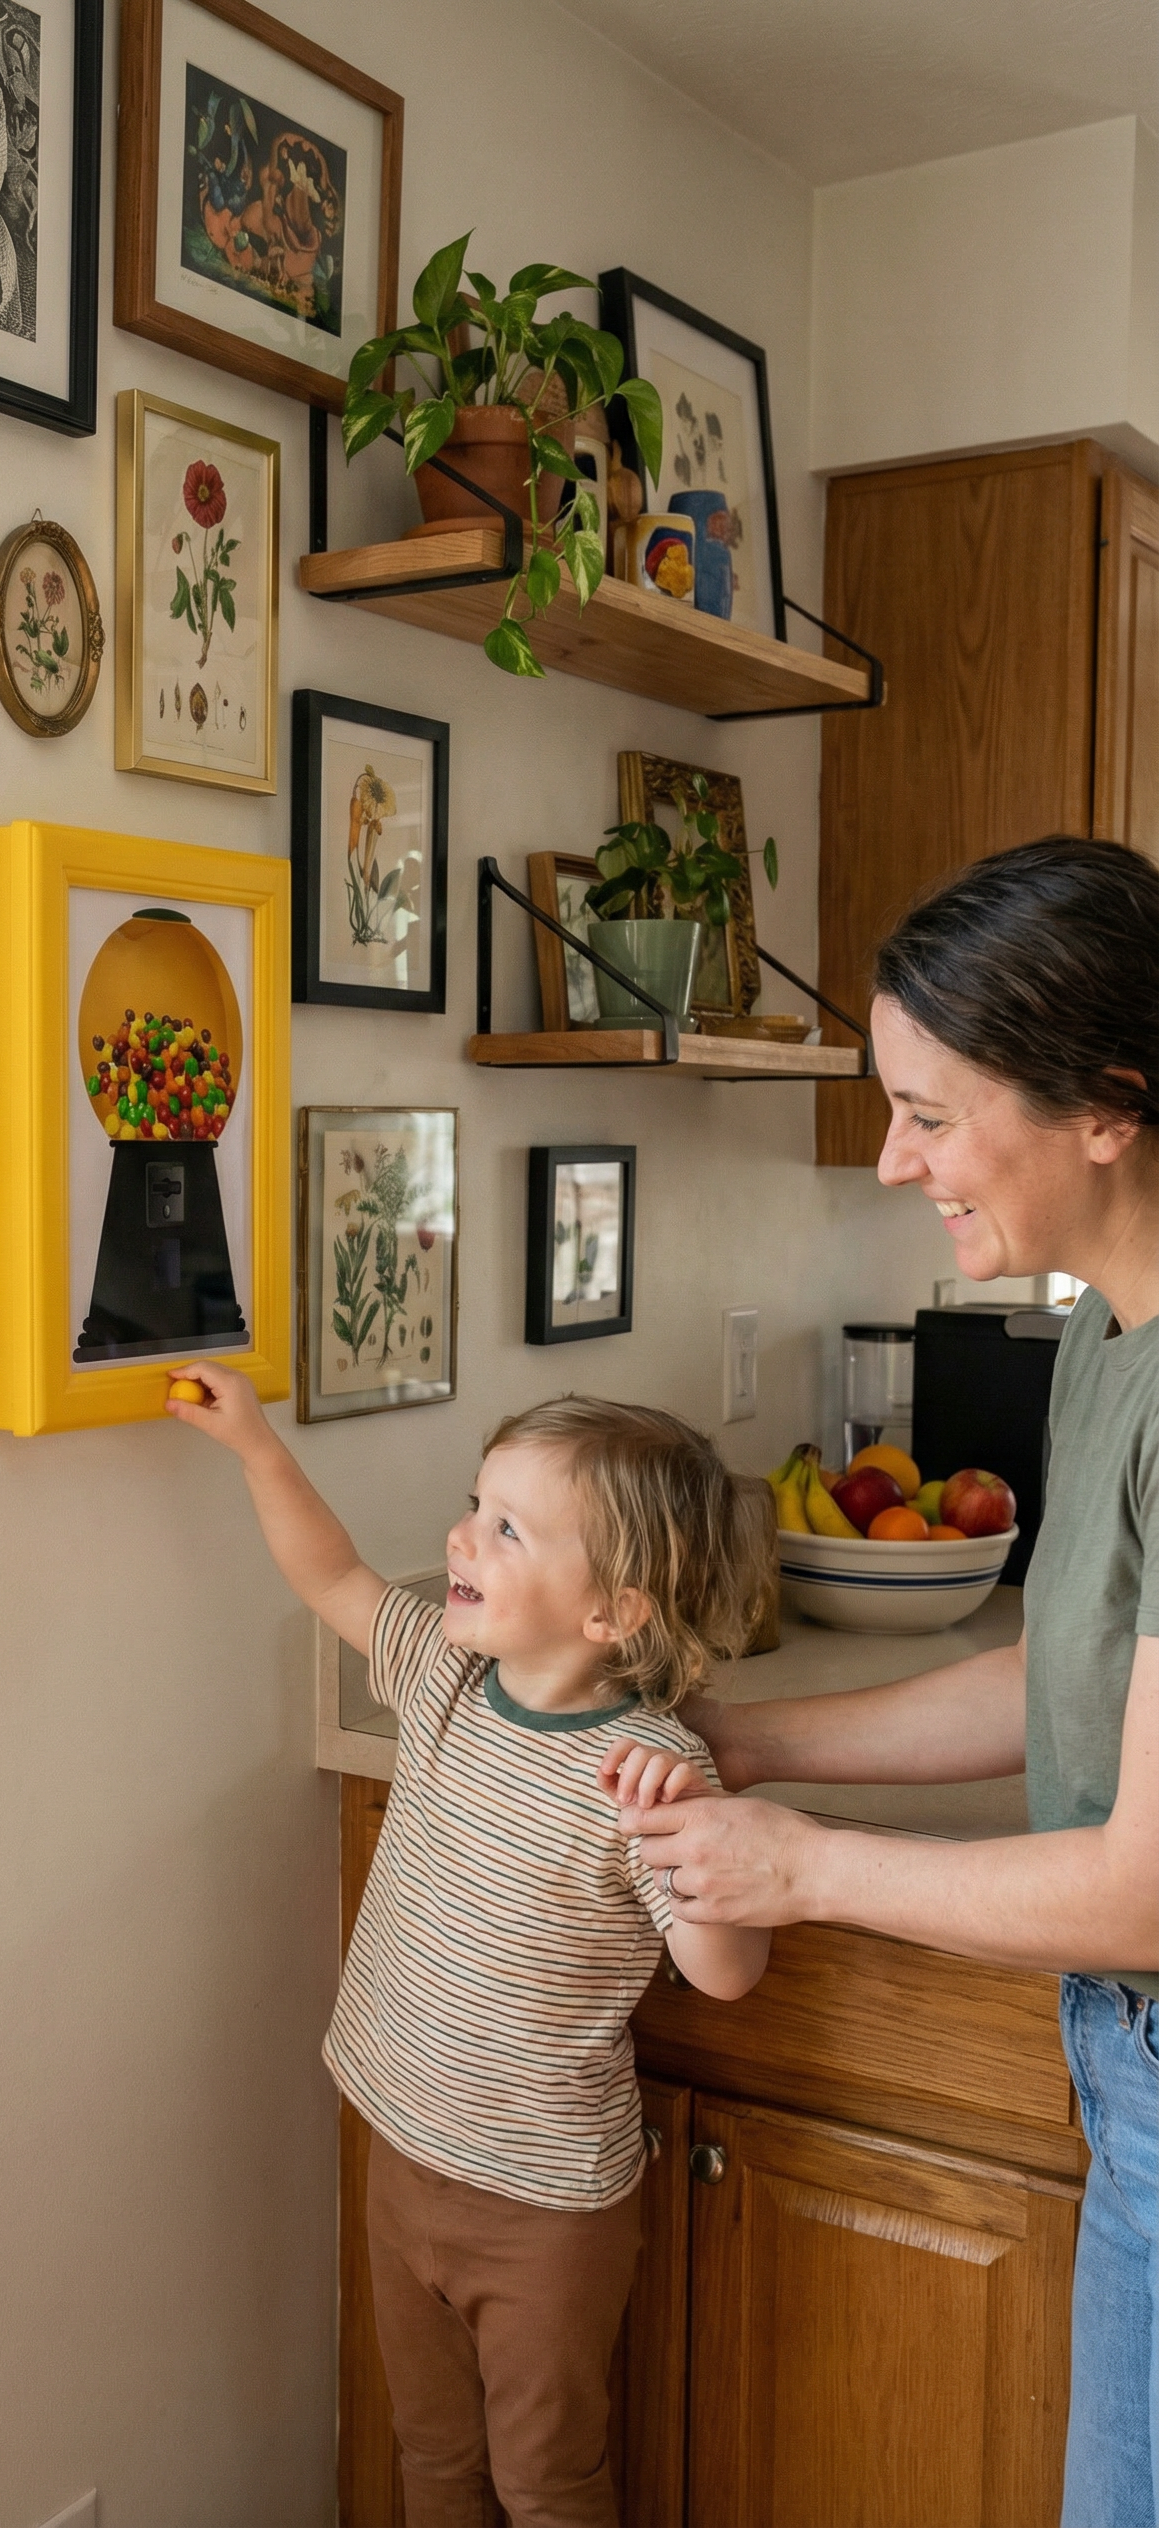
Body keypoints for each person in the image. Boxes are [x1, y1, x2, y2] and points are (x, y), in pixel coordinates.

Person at [604, 837, 1159, 2528]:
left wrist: (804, 1867)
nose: (890, 1155)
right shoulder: (1105, 1332)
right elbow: (1055, 1674)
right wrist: (745, 1736)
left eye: (928, 1112)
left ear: (1106, 1107)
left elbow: (1143, 1890)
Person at [165, 1370, 771, 2528]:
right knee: (431, 2454)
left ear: (613, 1612)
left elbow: (725, 1970)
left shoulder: (648, 1770)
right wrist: (255, 1447)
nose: (461, 1536)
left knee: (546, 2480)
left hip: (543, 2208)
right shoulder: (443, 1676)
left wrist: (688, 1823)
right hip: (400, 2154)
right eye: (473, 1503)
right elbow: (333, 1574)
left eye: (507, 1528)